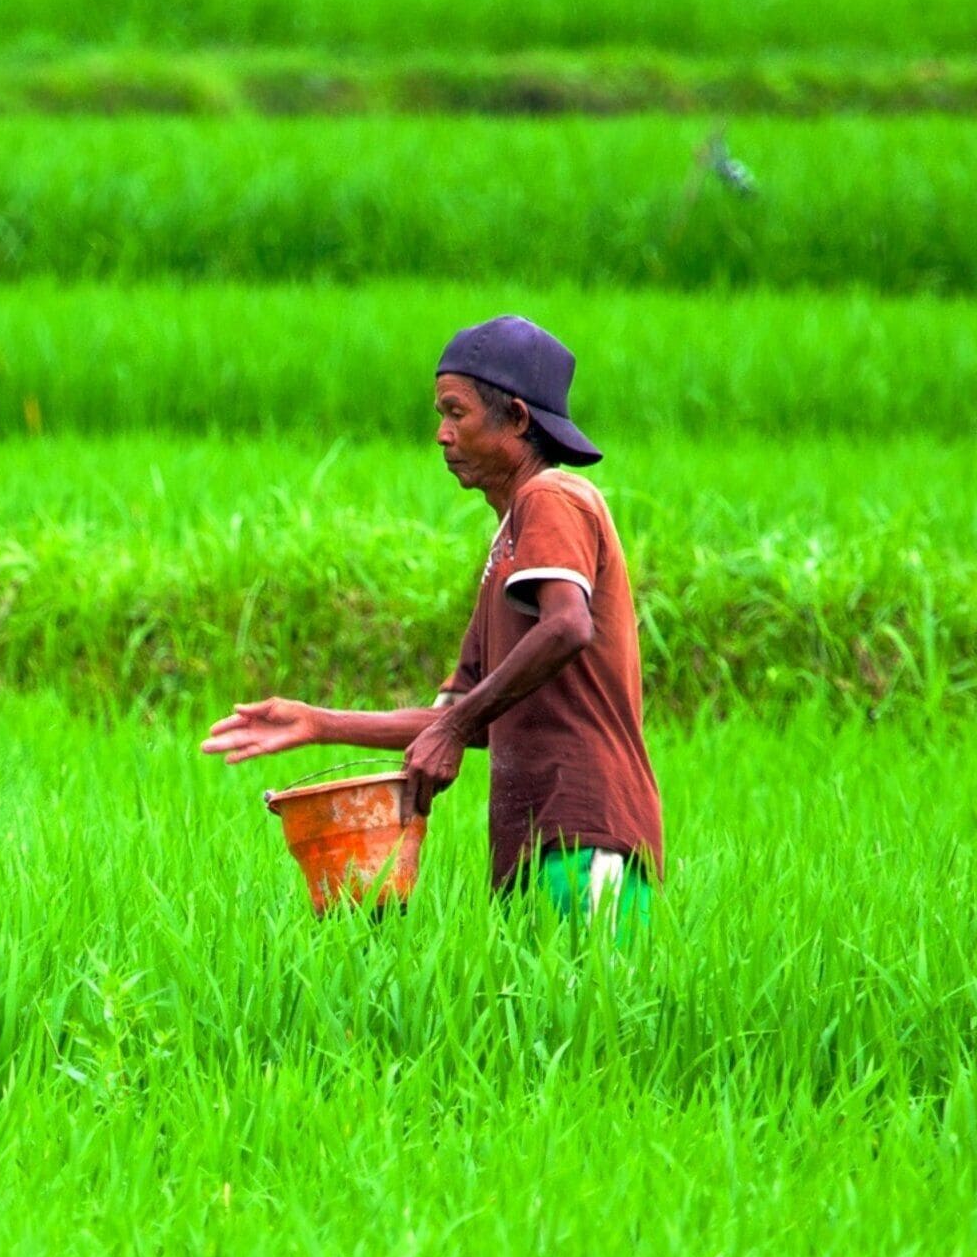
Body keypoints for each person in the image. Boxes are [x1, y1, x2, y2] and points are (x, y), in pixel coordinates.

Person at [203, 316, 664, 930]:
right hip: (533, 846)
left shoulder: (553, 495)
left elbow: (567, 626)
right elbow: (462, 718)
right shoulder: (505, 553)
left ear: (517, 419)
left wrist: (455, 727)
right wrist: (319, 723)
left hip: (586, 831)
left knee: (596, 995)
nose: (441, 434)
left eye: (456, 412)